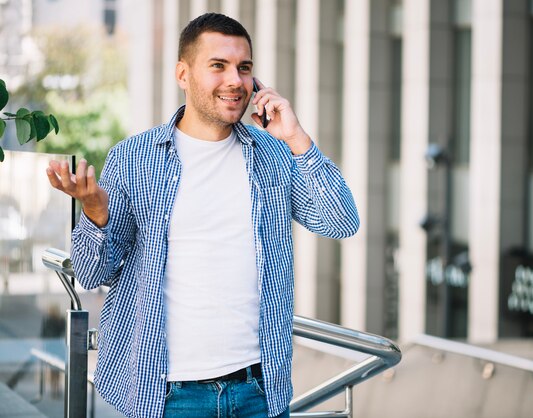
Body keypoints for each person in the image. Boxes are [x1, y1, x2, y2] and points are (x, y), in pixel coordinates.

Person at [45, 12, 359, 418]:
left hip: (257, 390)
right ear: (183, 73)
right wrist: (95, 213)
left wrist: (297, 138)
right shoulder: (134, 158)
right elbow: (91, 273)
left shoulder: (274, 155)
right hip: (167, 394)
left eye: (244, 68)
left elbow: (340, 220)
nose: (235, 80)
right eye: (218, 66)